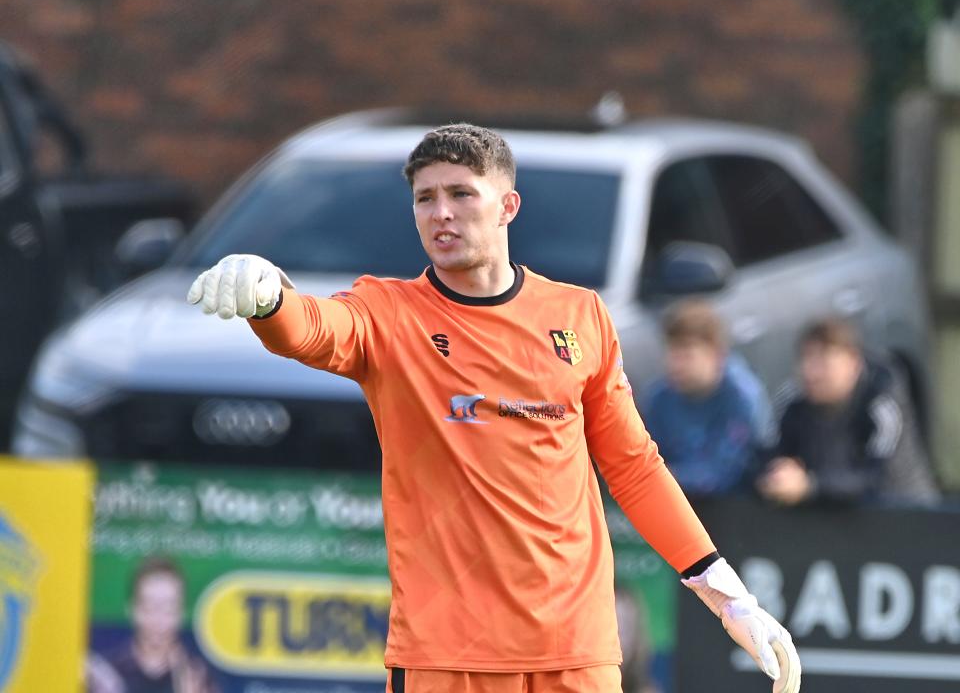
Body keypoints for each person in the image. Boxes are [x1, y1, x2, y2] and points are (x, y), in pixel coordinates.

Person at [188, 124, 800, 693]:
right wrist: (271, 300)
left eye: (461, 193)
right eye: (425, 199)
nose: (442, 213)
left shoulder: (579, 315)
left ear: (507, 206)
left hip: (576, 649)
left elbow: (634, 466)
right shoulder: (389, 313)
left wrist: (727, 596)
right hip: (447, 655)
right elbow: (316, 329)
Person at [758, 317, 939, 507]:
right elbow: (766, 454)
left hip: (901, 517)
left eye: (823, 361)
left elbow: (874, 477)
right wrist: (776, 476)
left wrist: (810, 485)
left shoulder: (882, 406)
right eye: (805, 358)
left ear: (854, 363)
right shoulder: (791, 399)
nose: (811, 372)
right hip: (821, 520)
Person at [642, 299, 774, 497]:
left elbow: (725, 473)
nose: (675, 364)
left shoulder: (742, 398)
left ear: (716, 355)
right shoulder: (659, 398)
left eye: (686, 354)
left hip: (737, 512)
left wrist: (663, 477)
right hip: (675, 506)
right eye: (671, 352)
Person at [88, 557, 220, 693]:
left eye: (169, 608)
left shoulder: (200, 676)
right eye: (150, 607)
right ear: (132, 609)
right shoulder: (106, 674)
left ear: (182, 612)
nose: (158, 619)